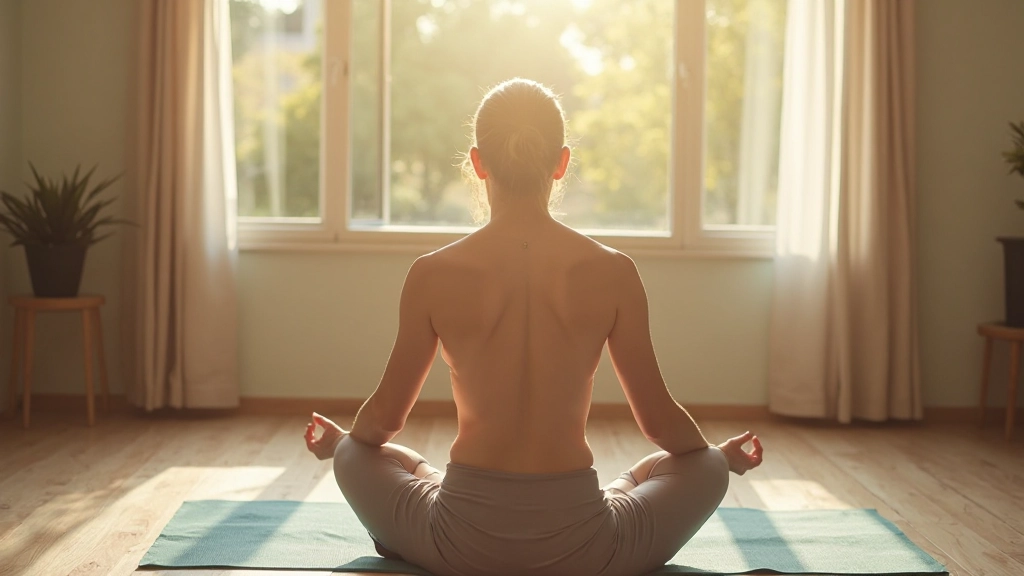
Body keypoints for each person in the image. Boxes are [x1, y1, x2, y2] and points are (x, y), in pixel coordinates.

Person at [304, 78, 763, 576]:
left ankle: (395, 511)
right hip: (587, 550)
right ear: (561, 162)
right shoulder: (614, 271)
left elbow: (382, 421)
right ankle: (642, 489)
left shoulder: (431, 273)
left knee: (359, 453)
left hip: (459, 543)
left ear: (477, 163)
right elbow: (660, 423)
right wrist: (715, 459)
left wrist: (344, 443)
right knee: (704, 465)